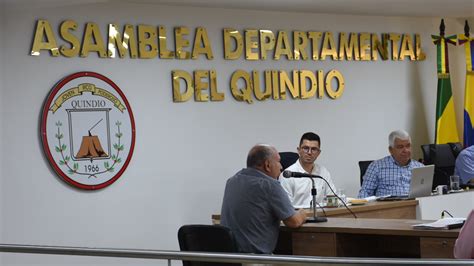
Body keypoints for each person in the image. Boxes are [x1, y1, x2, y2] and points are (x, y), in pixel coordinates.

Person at [220, 144, 307, 254]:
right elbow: (293, 222)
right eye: (278, 162)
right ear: (267, 165)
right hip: (256, 259)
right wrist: (303, 213)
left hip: (229, 258)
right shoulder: (269, 185)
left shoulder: (231, 181)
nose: (281, 167)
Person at [358, 130, 424, 198]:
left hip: (415, 206)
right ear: (390, 150)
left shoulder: (420, 167)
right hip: (388, 207)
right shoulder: (376, 166)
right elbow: (365, 193)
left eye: (408, 146)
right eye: (400, 147)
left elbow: (425, 193)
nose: (406, 150)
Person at [279, 132, 337, 208]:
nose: (309, 152)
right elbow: (285, 208)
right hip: (298, 218)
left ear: (318, 153)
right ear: (299, 150)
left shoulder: (323, 172)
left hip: (322, 216)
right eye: (306, 148)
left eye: (314, 149)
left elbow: (332, 198)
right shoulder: (288, 175)